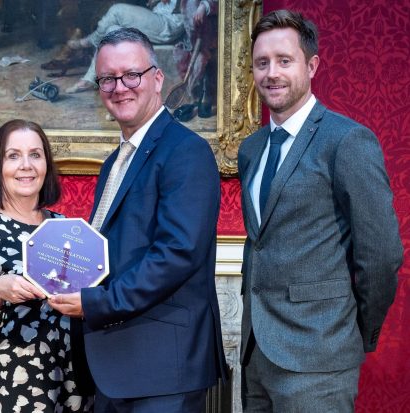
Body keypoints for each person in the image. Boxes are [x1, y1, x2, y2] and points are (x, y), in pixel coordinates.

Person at [49, 28, 227, 412]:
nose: (120, 87)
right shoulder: (116, 161)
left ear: (158, 78)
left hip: (163, 370)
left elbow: (177, 254)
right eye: (108, 79)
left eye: (132, 75)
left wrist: (96, 302)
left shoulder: (186, 151)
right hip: (118, 366)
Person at [238, 10, 403, 412]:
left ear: (312, 65)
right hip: (256, 355)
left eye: (284, 60)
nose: (271, 73)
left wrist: (349, 332)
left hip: (320, 358)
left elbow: (381, 255)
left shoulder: (347, 140)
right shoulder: (252, 149)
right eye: (262, 63)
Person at [0, 119, 94, 412]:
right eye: (13, 155)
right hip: (4, 387)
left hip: (70, 383)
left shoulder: (67, 229)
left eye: (35, 154)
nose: (26, 165)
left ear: (47, 165)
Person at [65, 0, 184, 93]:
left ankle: (90, 40)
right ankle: (90, 79)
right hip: (157, 17)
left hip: (169, 23)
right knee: (112, 31)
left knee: (116, 10)